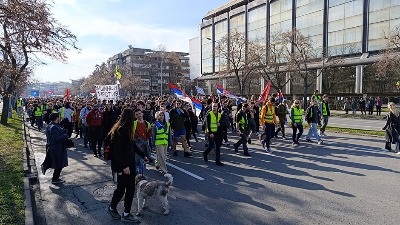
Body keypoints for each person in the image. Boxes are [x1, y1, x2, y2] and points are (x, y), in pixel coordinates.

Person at [108, 108, 149, 223]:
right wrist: (124, 166)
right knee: (122, 189)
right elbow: (118, 151)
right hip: (123, 166)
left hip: (129, 165)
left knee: (129, 189)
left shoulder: (126, 129)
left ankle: (123, 212)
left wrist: (143, 155)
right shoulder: (121, 130)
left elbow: (132, 145)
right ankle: (116, 209)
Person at [41, 113, 69, 184]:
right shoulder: (53, 127)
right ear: (56, 118)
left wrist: (63, 131)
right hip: (57, 147)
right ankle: (55, 179)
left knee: (56, 162)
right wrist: (65, 135)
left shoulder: (52, 125)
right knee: (59, 164)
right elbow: (56, 138)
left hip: (56, 147)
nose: (60, 118)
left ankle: (45, 166)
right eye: (59, 117)